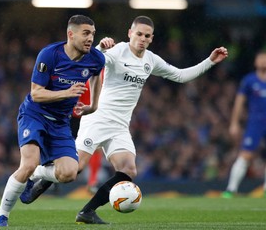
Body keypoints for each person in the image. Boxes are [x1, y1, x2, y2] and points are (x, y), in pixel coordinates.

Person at [21, 16, 228, 224]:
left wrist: (210, 61)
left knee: (128, 170)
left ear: (151, 39)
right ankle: (37, 174)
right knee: (75, 169)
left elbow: (181, 76)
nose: (142, 39)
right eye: (138, 34)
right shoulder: (118, 51)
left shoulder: (151, 60)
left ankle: (87, 212)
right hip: (98, 118)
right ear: (130, 33)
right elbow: (92, 60)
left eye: (147, 36)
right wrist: (101, 46)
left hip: (120, 126)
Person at [0, 14, 105, 227]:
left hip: (60, 122)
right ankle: (2, 215)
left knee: (70, 173)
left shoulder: (96, 58)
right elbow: (36, 94)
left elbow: (97, 74)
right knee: (28, 163)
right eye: (86, 33)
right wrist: (67, 93)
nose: (90, 38)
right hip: (34, 115)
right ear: (71, 35)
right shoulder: (49, 54)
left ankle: (36, 173)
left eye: (93, 34)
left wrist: (94, 105)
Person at [222, 50, 266, 199]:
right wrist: (234, 123)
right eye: (260, 58)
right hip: (256, 123)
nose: (263, 61)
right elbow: (239, 102)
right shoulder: (249, 80)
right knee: (245, 154)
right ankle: (231, 189)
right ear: (255, 62)